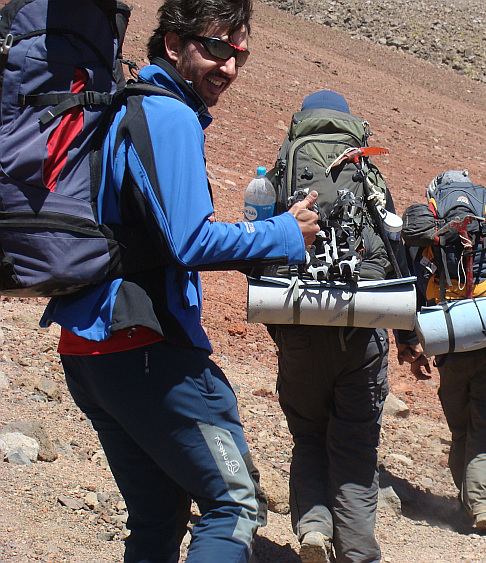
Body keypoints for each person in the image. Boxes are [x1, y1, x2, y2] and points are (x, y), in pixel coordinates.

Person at [40, 1, 319, 561]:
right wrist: (285, 234)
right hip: (144, 347)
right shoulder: (168, 115)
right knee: (234, 506)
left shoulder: (124, 107)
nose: (230, 68)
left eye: (240, 55)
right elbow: (188, 241)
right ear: (173, 45)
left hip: (90, 348)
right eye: (217, 48)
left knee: (157, 518)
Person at [265, 90, 424, 563]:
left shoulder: (283, 169)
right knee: (355, 447)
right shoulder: (367, 173)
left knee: (309, 433)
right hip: (363, 331)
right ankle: (358, 551)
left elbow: (261, 247)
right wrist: (407, 338)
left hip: (300, 324)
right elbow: (395, 258)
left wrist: (283, 328)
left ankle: (313, 527)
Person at [403, 170, 486, 533]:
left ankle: (467, 500)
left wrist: (410, 344)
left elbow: (412, 290)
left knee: (460, 430)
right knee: (484, 426)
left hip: (448, 343)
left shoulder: (430, 232)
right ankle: (482, 504)